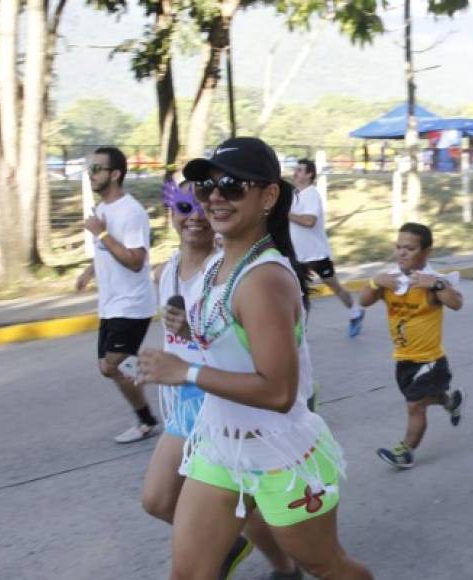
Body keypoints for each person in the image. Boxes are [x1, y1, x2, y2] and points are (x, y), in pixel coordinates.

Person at [137, 137, 372, 580]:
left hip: (278, 452)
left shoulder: (264, 279)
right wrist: (190, 332)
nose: (215, 197)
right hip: (218, 443)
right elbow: (232, 336)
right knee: (188, 573)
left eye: (232, 185)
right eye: (207, 187)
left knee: (329, 567)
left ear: (267, 196)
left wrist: (185, 371)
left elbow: (279, 391)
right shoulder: (216, 265)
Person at [141, 180, 301, 580]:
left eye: (200, 206)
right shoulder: (167, 272)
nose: (194, 215)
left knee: (226, 508)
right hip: (185, 397)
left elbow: (244, 345)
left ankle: (277, 561)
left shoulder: (228, 270)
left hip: (220, 396)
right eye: (182, 206)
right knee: (159, 501)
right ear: (170, 214)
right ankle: (250, 550)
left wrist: (190, 352)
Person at [359, 223, 465, 469]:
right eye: (398, 247)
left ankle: (405, 452)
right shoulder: (390, 279)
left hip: (430, 360)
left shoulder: (433, 281)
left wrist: (436, 285)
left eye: (409, 248)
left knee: (415, 406)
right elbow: (363, 301)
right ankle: (450, 402)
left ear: (426, 252)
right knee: (423, 397)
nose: (402, 253)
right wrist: (375, 283)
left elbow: (456, 303)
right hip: (403, 358)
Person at [75, 146, 159, 443]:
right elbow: (107, 252)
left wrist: (101, 233)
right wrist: (89, 271)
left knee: (115, 364)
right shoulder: (102, 210)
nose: (92, 174)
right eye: (90, 169)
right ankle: (163, 378)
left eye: (97, 168)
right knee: (108, 368)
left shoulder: (130, 211)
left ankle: (148, 417)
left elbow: (135, 261)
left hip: (132, 304)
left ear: (115, 174)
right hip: (110, 305)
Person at [289, 158, 366, 337]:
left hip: (316, 254)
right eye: (296, 169)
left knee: (335, 286)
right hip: (298, 255)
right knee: (299, 293)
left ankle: (356, 311)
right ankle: (299, 332)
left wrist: (287, 214)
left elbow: (309, 221)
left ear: (309, 174)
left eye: (299, 170)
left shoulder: (312, 194)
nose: (295, 173)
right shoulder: (294, 195)